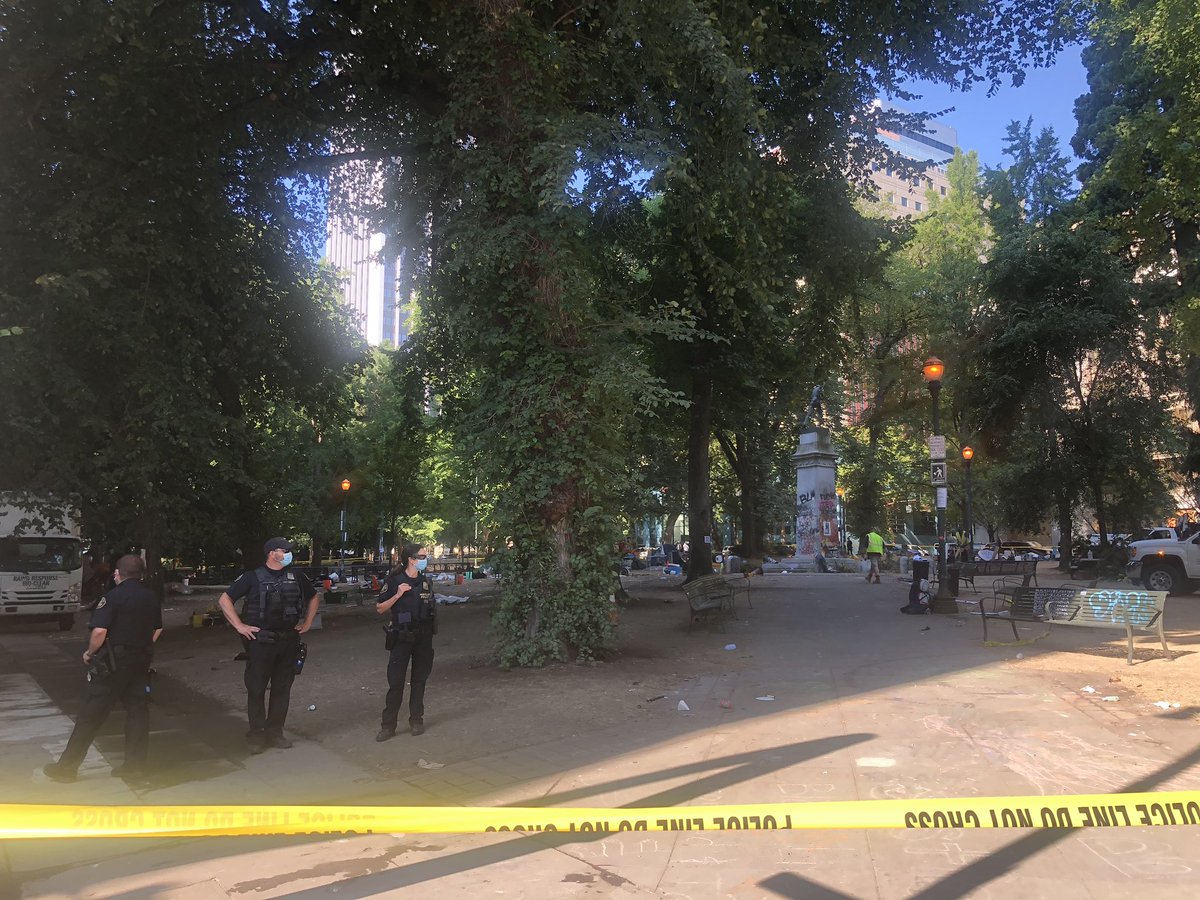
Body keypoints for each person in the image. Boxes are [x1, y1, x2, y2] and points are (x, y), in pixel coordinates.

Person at [43, 554, 162, 783]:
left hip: (113, 665)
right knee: (137, 712)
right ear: (140, 574)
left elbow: (99, 632)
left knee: (90, 715)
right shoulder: (151, 597)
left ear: (118, 573)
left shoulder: (112, 597)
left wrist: (89, 653)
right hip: (140, 662)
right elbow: (157, 629)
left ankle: (67, 767)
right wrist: (142, 646)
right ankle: (134, 768)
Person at [217, 538, 319, 753]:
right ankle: (256, 734)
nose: (289, 554)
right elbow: (225, 599)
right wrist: (240, 626)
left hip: (289, 640)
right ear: (272, 553)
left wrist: (308, 623)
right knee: (256, 689)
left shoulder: (296, 576)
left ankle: (275, 733)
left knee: (282, 689)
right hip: (261, 642)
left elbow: (313, 597)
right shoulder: (252, 577)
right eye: (285, 551)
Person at [375, 543, 436, 741]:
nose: (425, 559)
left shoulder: (425, 582)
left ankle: (416, 720)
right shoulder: (394, 581)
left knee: (419, 681)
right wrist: (398, 594)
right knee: (396, 683)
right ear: (411, 559)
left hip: (422, 638)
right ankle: (388, 726)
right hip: (401, 638)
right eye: (422, 556)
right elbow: (380, 608)